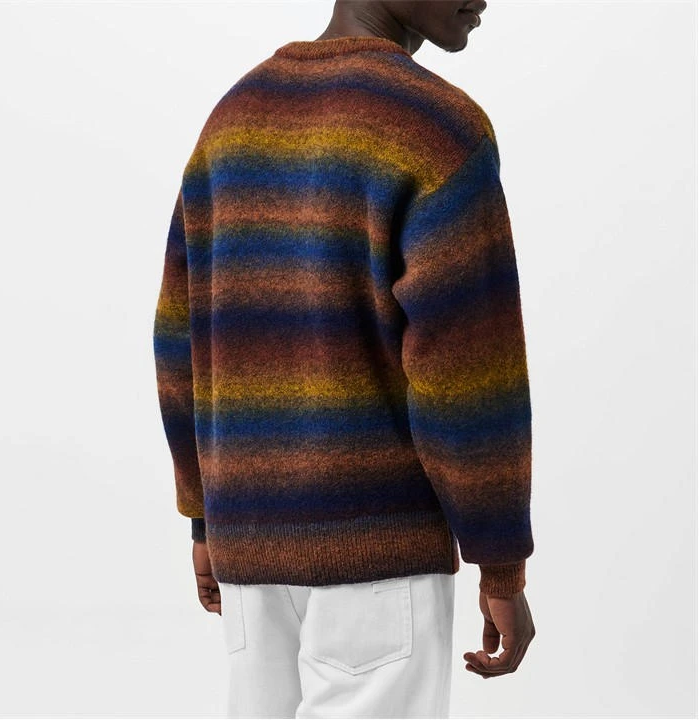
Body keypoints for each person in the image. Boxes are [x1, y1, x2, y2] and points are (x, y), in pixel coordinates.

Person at [152, 1, 536, 717]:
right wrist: (501, 562)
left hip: (249, 549)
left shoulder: (233, 121)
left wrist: (203, 516)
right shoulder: (436, 128)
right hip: (381, 554)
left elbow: (181, 340)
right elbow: (469, 373)